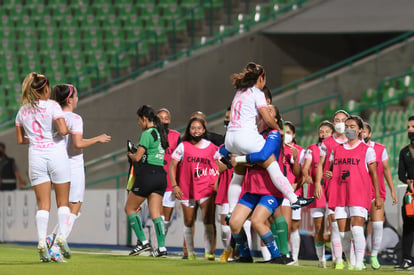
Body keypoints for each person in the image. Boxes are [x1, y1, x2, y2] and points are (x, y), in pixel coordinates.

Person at [224, 62, 312, 216]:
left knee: (238, 174)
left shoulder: (240, 91)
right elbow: (266, 117)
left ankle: (231, 211)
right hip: (245, 136)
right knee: (271, 163)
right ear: (261, 78)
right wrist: (279, 130)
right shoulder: (257, 93)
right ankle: (293, 199)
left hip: (230, 137)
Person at [49, 84, 111, 260]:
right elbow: (77, 144)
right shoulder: (75, 118)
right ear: (69, 99)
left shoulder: (54, 117)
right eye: (75, 95)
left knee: (65, 207)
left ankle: (51, 239)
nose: (77, 98)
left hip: (57, 164)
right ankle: (57, 243)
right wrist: (97, 139)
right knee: (75, 207)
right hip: (73, 165)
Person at [15, 72, 72, 262]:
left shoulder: (22, 111)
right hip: (56, 154)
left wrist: (35, 138)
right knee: (63, 202)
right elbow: (63, 131)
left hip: (36, 156)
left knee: (43, 205)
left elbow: (19, 140)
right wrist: (62, 132)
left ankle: (41, 240)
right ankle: (61, 237)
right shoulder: (53, 106)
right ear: (46, 89)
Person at [228, 105, 285, 264]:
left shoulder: (275, 134)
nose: (265, 113)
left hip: (270, 190)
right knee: (234, 223)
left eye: (271, 111)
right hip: (252, 188)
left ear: (275, 120)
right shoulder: (253, 135)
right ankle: (245, 256)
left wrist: (240, 159)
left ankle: (277, 256)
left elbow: (263, 155)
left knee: (257, 221)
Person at [327, 115, 382, 270]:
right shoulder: (336, 150)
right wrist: (329, 174)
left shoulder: (368, 150)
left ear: (360, 131)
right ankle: (351, 261)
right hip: (340, 195)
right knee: (343, 234)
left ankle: (359, 263)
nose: (349, 129)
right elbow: (331, 170)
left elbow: (374, 174)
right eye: (347, 126)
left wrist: (377, 196)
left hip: (359, 194)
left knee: (357, 229)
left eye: (352, 127)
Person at [169, 117, 220, 261]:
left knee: (207, 220)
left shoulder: (211, 146)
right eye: (193, 128)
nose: (196, 131)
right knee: (189, 221)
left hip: (206, 188)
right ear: (189, 130)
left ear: (204, 130)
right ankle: (190, 253)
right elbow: (172, 166)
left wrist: (216, 182)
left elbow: (220, 165)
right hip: (186, 189)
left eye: (199, 128)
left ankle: (209, 252)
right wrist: (175, 185)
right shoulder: (183, 146)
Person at [125, 105, 169, 257]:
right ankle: (162, 248)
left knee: (130, 208)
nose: (139, 123)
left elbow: (137, 158)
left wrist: (131, 153)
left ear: (144, 119)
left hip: (147, 174)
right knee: (156, 213)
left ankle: (143, 242)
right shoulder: (160, 132)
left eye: (139, 120)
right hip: (160, 176)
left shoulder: (147, 133)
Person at [314, 109, 349, 269]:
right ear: (333, 123)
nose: (340, 123)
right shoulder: (326, 144)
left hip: (351, 189)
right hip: (332, 190)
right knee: (334, 224)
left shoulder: (354, 141)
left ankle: (351, 257)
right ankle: (338, 259)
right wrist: (318, 183)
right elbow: (321, 164)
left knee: (349, 227)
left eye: (343, 120)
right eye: (337, 120)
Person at [361, 121, 397, 270]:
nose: (362, 134)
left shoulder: (380, 149)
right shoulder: (353, 149)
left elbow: (387, 170)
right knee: (357, 226)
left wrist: (392, 190)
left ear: (369, 134)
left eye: (364, 131)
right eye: (360, 131)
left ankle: (374, 255)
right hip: (359, 192)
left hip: (377, 192)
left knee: (377, 224)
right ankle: (359, 257)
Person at [302, 120, 334, 268]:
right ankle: (321, 259)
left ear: (332, 133)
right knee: (319, 227)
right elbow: (306, 167)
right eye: (321, 131)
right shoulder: (311, 149)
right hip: (317, 191)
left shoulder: (337, 148)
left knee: (334, 225)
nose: (324, 134)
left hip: (332, 191)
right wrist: (307, 176)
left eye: (327, 131)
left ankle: (336, 257)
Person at [278, 121, 304, 265]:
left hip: (294, 192)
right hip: (278, 191)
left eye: (289, 132)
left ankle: (295, 257)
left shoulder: (300, 150)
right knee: (282, 225)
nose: (286, 135)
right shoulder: (276, 148)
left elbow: (300, 174)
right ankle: (284, 253)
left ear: (293, 135)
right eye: (284, 132)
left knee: (294, 226)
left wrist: (294, 159)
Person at [157, 108, 181, 236]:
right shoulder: (151, 135)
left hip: (170, 183)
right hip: (155, 181)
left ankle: (160, 242)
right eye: (160, 118)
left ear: (170, 120)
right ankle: (158, 246)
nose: (163, 121)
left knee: (165, 220)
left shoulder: (176, 136)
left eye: (166, 118)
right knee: (158, 217)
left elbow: (180, 159)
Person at [396, 115, 414, 270]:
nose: (409, 129)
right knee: (408, 227)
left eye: (412, 127)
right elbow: (401, 174)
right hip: (411, 195)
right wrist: (408, 182)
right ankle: (407, 259)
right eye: (408, 127)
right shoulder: (404, 152)